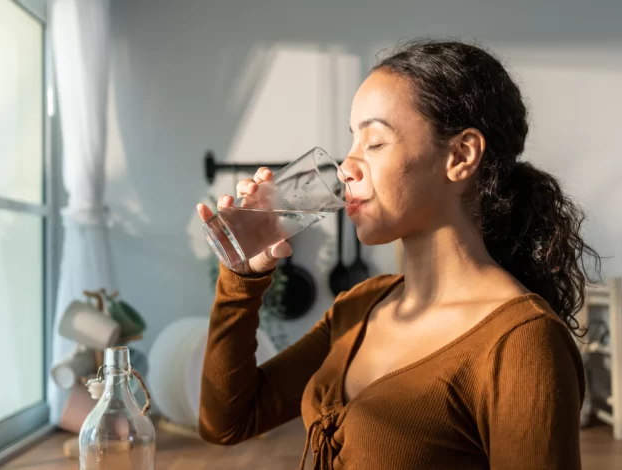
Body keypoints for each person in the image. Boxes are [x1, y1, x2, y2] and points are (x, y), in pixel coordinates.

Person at [195, 38, 600, 470]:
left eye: (374, 142)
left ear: (460, 156)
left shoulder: (521, 343)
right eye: (351, 141)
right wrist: (240, 277)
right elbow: (226, 421)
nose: (345, 167)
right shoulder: (360, 306)